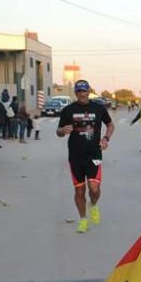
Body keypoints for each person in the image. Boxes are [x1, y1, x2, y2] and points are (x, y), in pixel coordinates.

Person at [57, 80, 114, 234]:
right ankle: (83, 219)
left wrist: (106, 139)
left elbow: (110, 125)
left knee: (94, 188)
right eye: (79, 91)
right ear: (76, 93)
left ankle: (93, 205)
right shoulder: (68, 110)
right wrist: (63, 130)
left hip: (94, 153)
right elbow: (59, 132)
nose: (82, 94)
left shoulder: (98, 108)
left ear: (89, 91)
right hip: (75, 156)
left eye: (84, 91)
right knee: (79, 191)